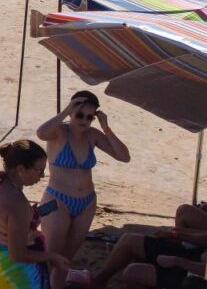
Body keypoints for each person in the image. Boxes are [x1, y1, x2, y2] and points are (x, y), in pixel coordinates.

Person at [36, 91, 131, 289]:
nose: (84, 120)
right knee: (51, 257)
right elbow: (41, 133)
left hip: (86, 203)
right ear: (72, 113)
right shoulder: (59, 132)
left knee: (65, 259)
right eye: (80, 115)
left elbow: (124, 156)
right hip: (57, 200)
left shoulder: (93, 136)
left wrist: (106, 128)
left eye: (90, 117)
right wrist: (65, 111)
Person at [91, 177, 207, 288]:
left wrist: (178, 261)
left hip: (200, 278)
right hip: (197, 259)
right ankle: (99, 280)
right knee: (129, 240)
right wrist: (178, 234)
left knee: (133, 272)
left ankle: (135, 263)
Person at [0, 139, 70, 288]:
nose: (42, 176)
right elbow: (18, 255)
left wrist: (19, 223)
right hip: (14, 269)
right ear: (21, 169)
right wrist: (52, 256)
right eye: (39, 171)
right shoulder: (18, 204)